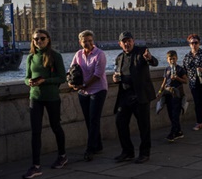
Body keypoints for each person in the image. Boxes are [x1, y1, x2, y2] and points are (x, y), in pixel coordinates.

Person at [23, 29, 67, 179]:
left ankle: (62, 155)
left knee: (56, 127)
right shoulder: (30, 57)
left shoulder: (56, 56)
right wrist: (28, 82)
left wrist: (45, 81)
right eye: (36, 39)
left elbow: (62, 78)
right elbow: (26, 77)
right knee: (35, 132)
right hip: (35, 97)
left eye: (42, 38)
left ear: (48, 40)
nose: (39, 41)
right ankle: (35, 165)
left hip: (52, 97)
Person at [113, 31, 159, 163]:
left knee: (143, 126)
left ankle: (145, 153)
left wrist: (149, 58)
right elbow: (118, 73)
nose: (127, 43)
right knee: (120, 122)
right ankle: (127, 151)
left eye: (129, 40)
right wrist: (117, 79)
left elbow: (154, 62)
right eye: (124, 41)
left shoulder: (142, 52)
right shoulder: (119, 57)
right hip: (125, 95)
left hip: (140, 95)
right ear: (120, 44)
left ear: (133, 41)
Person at [69, 30, 107, 162]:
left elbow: (98, 75)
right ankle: (98, 145)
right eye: (85, 41)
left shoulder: (99, 54)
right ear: (80, 42)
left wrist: (84, 84)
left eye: (90, 40)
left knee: (94, 119)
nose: (88, 43)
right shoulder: (78, 54)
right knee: (89, 120)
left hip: (98, 90)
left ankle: (90, 149)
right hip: (83, 92)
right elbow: (72, 70)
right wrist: (71, 83)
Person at [157, 50, 188, 142]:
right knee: (171, 114)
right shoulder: (167, 69)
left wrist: (177, 78)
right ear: (167, 60)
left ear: (177, 59)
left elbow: (185, 81)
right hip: (168, 94)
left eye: (174, 59)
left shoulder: (180, 69)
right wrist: (159, 91)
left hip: (177, 94)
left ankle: (172, 133)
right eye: (170, 59)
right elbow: (164, 82)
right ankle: (179, 131)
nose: (172, 61)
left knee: (175, 114)